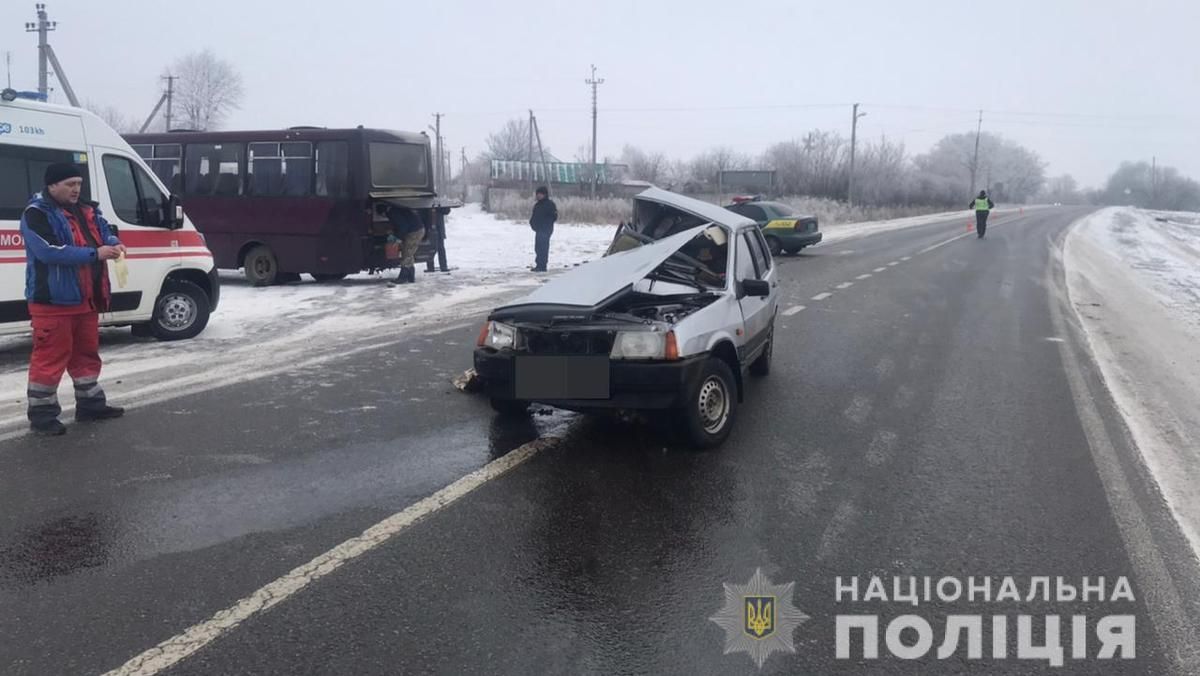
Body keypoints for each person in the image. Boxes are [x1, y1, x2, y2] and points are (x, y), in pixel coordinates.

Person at [19, 163, 126, 435]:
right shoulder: (36, 213)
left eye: (78, 183)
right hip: (53, 302)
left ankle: (90, 405)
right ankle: (42, 417)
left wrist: (114, 242)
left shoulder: (88, 209)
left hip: (86, 299)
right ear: (52, 185)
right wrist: (96, 254)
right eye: (70, 184)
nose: (76, 189)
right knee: (49, 358)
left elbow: (104, 231)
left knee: (86, 356)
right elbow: (50, 252)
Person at [383, 204, 425, 284]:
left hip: (415, 232)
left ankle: (403, 277)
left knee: (406, 252)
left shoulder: (392, 212)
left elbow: (403, 226)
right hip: (417, 229)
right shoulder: (396, 209)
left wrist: (398, 239)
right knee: (409, 253)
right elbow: (400, 225)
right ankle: (411, 276)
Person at [529, 186, 557, 272]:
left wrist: (547, 224)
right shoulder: (537, 205)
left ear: (544, 194)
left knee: (543, 248)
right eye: (537, 194)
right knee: (538, 247)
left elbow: (554, 216)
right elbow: (534, 216)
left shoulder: (550, 204)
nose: (538, 196)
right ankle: (538, 265)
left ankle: (543, 266)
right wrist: (532, 224)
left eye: (540, 194)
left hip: (546, 229)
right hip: (538, 229)